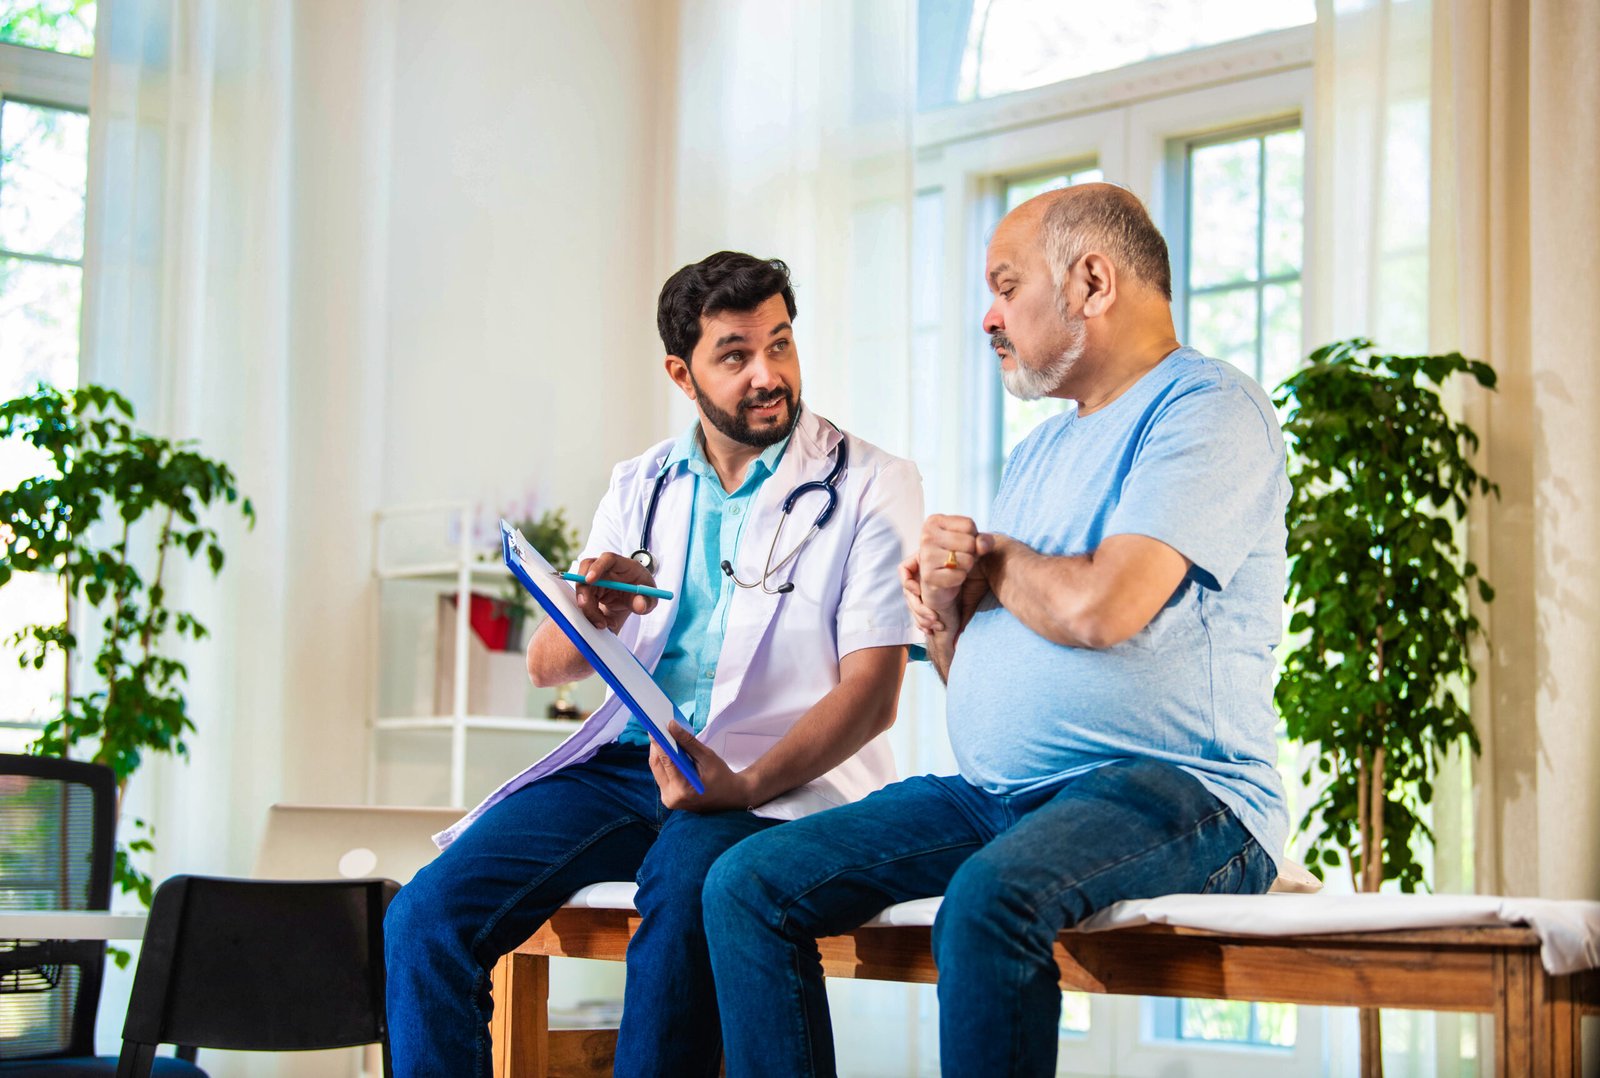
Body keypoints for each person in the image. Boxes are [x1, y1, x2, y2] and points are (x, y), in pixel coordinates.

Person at [702, 185, 1290, 1076]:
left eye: (1006, 286)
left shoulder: (1206, 409)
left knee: (984, 901)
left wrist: (996, 561)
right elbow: (984, 668)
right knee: (745, 882)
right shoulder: (1042, 450)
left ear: (1092, 281)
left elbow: (1103, 608)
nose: (989, 316)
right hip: (1002, 795)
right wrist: (944, 619)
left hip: (1182, 793)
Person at [383, 251, 924, 1078]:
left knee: (681, 897)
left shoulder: (872, 484)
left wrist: (740, 787)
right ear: (683, 372)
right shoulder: (643, 484)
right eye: (735, 355)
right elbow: (546, 663)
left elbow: (874, 694)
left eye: (780, 344)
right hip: (637, 767)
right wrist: (592, 613)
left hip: (771, 777)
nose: (768, 374)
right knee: (423, 918)